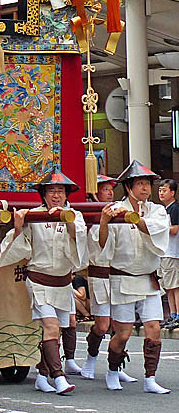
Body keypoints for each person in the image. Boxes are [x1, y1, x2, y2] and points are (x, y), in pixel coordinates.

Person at [0, 171, 87, 395]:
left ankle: (42, 374)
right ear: (43, 194)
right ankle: (59, 377)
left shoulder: (75, 215)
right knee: (51, 326)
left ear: (67, 194)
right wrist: (18, 227)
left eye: (60, 191)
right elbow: (16, 248)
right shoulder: (33, 216)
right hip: (39, 280)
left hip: (63, 282)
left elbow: (80, 246)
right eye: (51, 191)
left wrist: (65, 220)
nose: (56, 195)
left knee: (56, 331)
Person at [98, 160, 170, 394]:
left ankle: (150, 378)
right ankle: (112, 370)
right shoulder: (115, 209)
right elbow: (102, 245)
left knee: (154, 328)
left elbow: (155, 231)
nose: (145, 189)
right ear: (128, 187)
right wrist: (104, 222)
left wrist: (133, 216)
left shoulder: (157, 210)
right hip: (123, 278)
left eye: (147, 184)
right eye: (139, 184)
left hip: (148, 278)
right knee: (123, 333)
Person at [80, 175, 136, 383]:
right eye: (104, 189)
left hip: (119, 273)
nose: (110, 192)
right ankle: (91, 358)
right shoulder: (88, 213)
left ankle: (116, 363)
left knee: (121, 326)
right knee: (102, 325)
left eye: (111, 189)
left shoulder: (120, 211)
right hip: (99, 272)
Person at [158, 179, 179, 330]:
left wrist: (158, 227)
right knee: (168, 287)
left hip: (173, 253)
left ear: (172, 192)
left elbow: (174, 230)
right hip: (165, 252)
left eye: (164, 190)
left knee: (175, 286)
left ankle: (178, 315)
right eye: (159, 190)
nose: (161, 193)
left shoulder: (175, 208)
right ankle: (172, 314)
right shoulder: (164, 209)